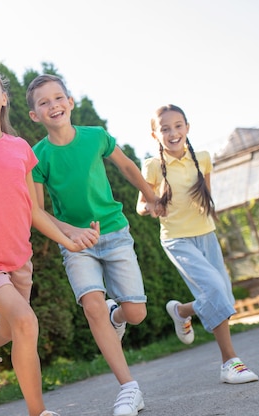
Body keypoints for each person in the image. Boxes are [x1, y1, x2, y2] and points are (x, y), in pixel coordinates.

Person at [0, 62, 100, 416]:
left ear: (3, 97)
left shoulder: (20, 148)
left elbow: (35, 212)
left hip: (19, 260)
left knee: (10, 328)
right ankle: (37, 411)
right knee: (26, 322)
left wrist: (69, 240)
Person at [26, 74, 162, 416]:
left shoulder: (95, 137)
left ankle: (118, 316)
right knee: (92, 305)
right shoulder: (36, 157)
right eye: (43, 102)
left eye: (58, 98)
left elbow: (128, 167)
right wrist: (71, 233)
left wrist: (151, 196)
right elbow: (37, 211)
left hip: (114, 233)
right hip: (75, 245)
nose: (53, 105)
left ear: (70, 103)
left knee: (136, 313)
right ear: (34, 116)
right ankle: (129, 389)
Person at [137, 104, 259, 385]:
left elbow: (207, 197)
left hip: (207, 235)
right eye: (165, 128)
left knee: (224, 298)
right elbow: (141, 205)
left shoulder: (202, 159)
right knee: (216, 291)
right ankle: (230, 363)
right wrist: (152, 207)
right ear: (155, 135)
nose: (173, 132)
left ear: (187, 128)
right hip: (177, 240)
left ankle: (181, 311)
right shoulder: (153, 165)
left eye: (178, 126)